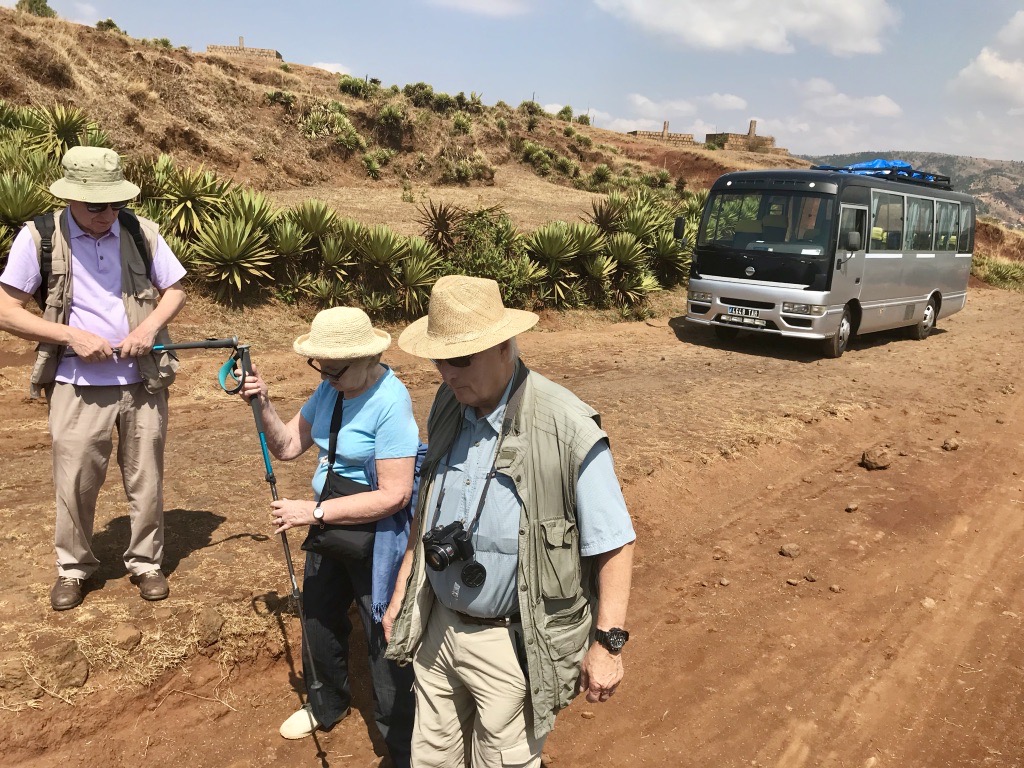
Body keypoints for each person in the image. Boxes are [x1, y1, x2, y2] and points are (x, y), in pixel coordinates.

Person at [385, 275, 636, 768]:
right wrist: (402, 590)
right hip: (438, 629)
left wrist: (608, 645)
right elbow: (427, 505)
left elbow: (616, 543)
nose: (446, 374)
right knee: (430, 758)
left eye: (460, 359)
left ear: (503, 347)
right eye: (439, 359)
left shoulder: (565, 426)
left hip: (512, 642)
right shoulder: (447, 406)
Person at [0, 146, 187, 611]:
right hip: (75, 383)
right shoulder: (39, 237)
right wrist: (69, 335)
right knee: (77, 480)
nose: (108, 214)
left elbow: (176, 289)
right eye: (97, 205)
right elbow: (5, 310)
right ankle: (74, 568)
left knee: (146, 478)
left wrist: (147, 329)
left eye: (116, 203)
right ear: (70, 199)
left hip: (142, 381)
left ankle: (146, 562)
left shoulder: (141, 232)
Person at [235, 306, 416, 766]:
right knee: (317, 614)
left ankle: (400, 741)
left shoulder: (392, 403)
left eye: (335, 367)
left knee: (383, 630)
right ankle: (325, 704)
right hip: (327, 523)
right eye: (321, 365)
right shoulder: (330, 389)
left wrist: (310, 511)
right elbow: (289, 446)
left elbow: (395, 495)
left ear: (369, 357)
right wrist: (263, 403)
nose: (326, 374)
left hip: (375, 534)